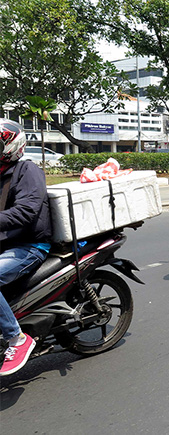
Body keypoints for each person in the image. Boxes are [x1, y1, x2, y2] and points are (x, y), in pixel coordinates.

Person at [0, 119, 51, 376]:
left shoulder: (27, 171)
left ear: (10, 145)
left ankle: (17, 338)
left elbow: (26, 212)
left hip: (29, 245)